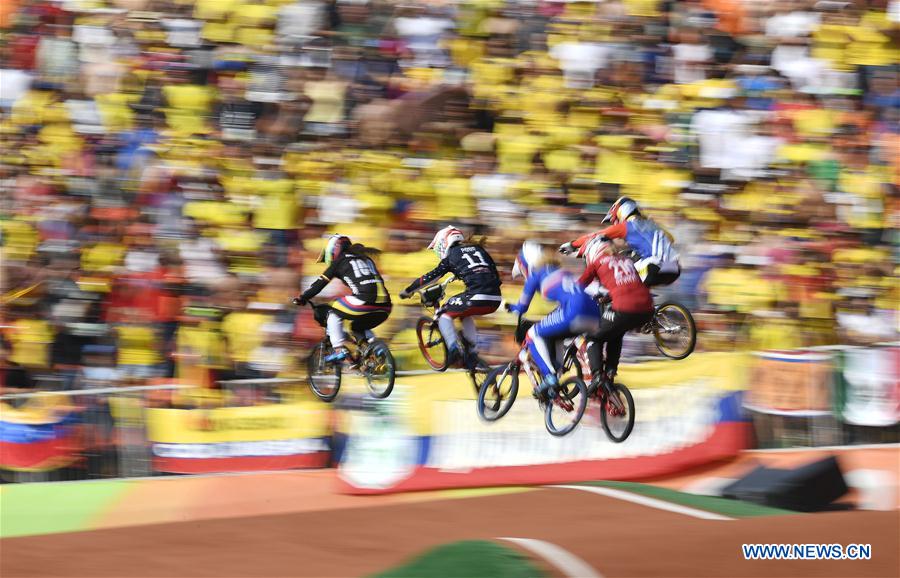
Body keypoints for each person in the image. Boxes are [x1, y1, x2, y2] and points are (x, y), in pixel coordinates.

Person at [506, 241, 600, 398]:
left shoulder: (536, 274)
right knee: (555, 334)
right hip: (593, 313)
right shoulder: (561, 270)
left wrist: (510, 307)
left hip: (574, 310)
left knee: (532, 334)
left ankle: (549, 375)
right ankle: (556, 375)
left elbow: (522, 307)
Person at [399, 226, 501, 368]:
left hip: (477, 296)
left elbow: (430, 277)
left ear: (443, 242)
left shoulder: (451, 256)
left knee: (443, 314)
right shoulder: (479, 249)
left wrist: (409, 290)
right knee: (464, 314)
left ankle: (453, 349)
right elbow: (492, 273)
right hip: (495, 298)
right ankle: (472, 352)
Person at [293, 234, 391, 363]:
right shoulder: (366, 259)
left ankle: (339, 349)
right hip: (386, 306)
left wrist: (303, 298)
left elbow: (319, 285)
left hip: (364, 302)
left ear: (333, 250)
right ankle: (374, 348)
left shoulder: (339, 262)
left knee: (333, 311)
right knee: (357, 327)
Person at [576, 236, 654, 392]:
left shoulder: (596, 263)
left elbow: (576, 288)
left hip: (625, 308)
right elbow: (629, 284)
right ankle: (610, 372)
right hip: (647, 309)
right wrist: (608, 296)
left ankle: (598, 375)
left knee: (592, 336)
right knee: (615, 332)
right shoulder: (626, 260)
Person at [560, 197, 681, 287]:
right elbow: (670, 239)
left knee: (622, 273)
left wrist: (572, 244)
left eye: (615, 219)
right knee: (633, 262)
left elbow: (595, 236)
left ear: (622, 212)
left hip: (655, 267)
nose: (615, 223)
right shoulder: (653, 224)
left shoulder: (627, 226)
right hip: (674, 268)